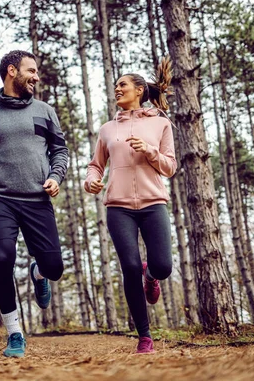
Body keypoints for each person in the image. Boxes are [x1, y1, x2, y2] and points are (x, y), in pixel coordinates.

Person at [0, 50, 68, 358]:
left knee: (54, 268)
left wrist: (56, 176)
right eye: (31, 70)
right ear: (12, 71)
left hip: (37, 198)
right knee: (2, 258)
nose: (36, 76)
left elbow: (59, 151)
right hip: (0, 198)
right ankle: (15, 334)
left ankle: (39, 273)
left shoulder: (45, 111)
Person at [84, 61, 177, 354]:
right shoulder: (107, 129)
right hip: (118, 208)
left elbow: (170, 166)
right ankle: (144, 336)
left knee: (162, 265)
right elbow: (95, 166)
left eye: (122, 85)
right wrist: (92, 182)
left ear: (139, 90)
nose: (117, 89)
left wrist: (149, 151)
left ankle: (151, 277)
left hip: (153, 203)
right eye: (115, 86)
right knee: (130, 267)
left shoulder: (161, 124)